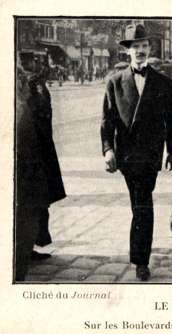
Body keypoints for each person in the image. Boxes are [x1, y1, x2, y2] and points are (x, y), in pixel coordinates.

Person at [101, 24, 172, 281]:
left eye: (144, 46)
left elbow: (171, 120)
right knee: (141, 205)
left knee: (142, 205)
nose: (141, 51)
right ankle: (141, 258)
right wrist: (108, 150)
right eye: (136, 47)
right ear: (128, 52)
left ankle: (140, 258)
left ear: (150, 49)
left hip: (150, 155)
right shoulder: (114, 82)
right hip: (126, 156)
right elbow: (107, 120)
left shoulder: (164, 83)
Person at [20, 54, 67, 261]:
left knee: (39, 200)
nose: (38, 66)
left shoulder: (36, 82)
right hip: (31, 149)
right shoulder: (28, 84)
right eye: (33, 62)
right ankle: (24, 247)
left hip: (41, 148)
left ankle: (28, 246)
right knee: (32, 200)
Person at [15, 57, 50, 281]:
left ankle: (26, 252)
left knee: (33, 209)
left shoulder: (29, 93)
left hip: (33, 160)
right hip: (22, 162)